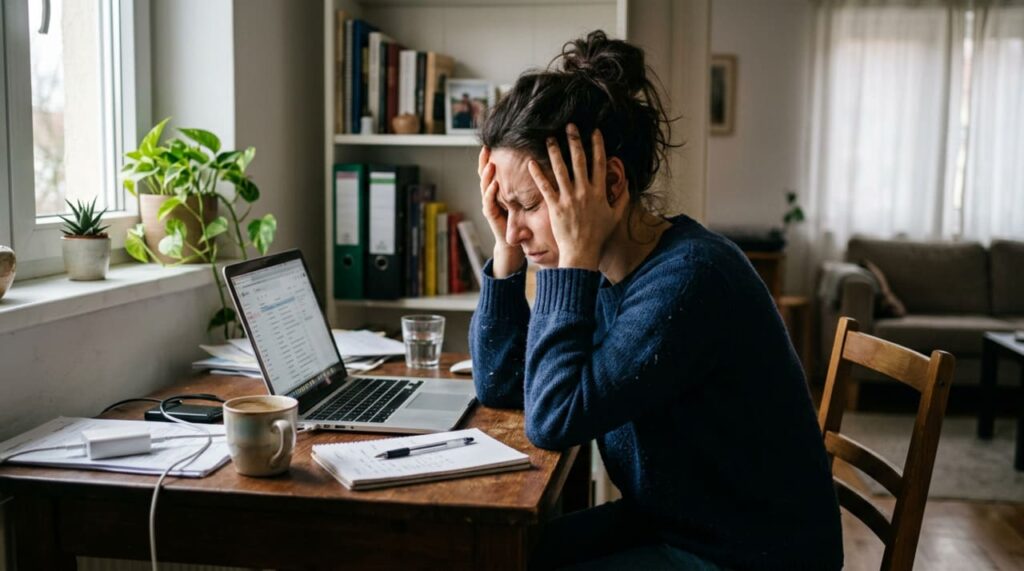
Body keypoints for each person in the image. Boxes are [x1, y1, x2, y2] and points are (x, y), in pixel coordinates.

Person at [469, 30, 843, 570]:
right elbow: (503, 384)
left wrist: (569, 262)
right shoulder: (607, 271)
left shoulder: (690, 281)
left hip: (747, 556)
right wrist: (505, 251)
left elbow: (552, 418)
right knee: (498, 555)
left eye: (529, 204)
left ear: (612, 186)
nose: (518, 228)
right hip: (676, 522)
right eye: (505, 207)